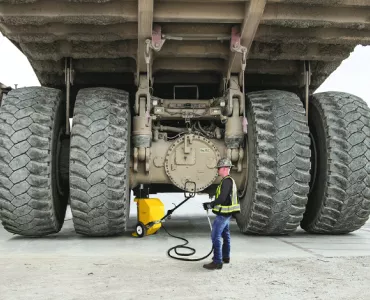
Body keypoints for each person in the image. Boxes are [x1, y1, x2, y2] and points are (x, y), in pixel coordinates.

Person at [202, 157, 240, 270]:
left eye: (219, 168)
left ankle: (217, 262)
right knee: (226, 235)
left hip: (223, 215)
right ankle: (225, 257)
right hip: (227, 214)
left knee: (215, 236)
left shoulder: (227, 181)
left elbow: (222, 198)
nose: (217, 170)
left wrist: (211, 204)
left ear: (224, 168)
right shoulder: (229, 181)